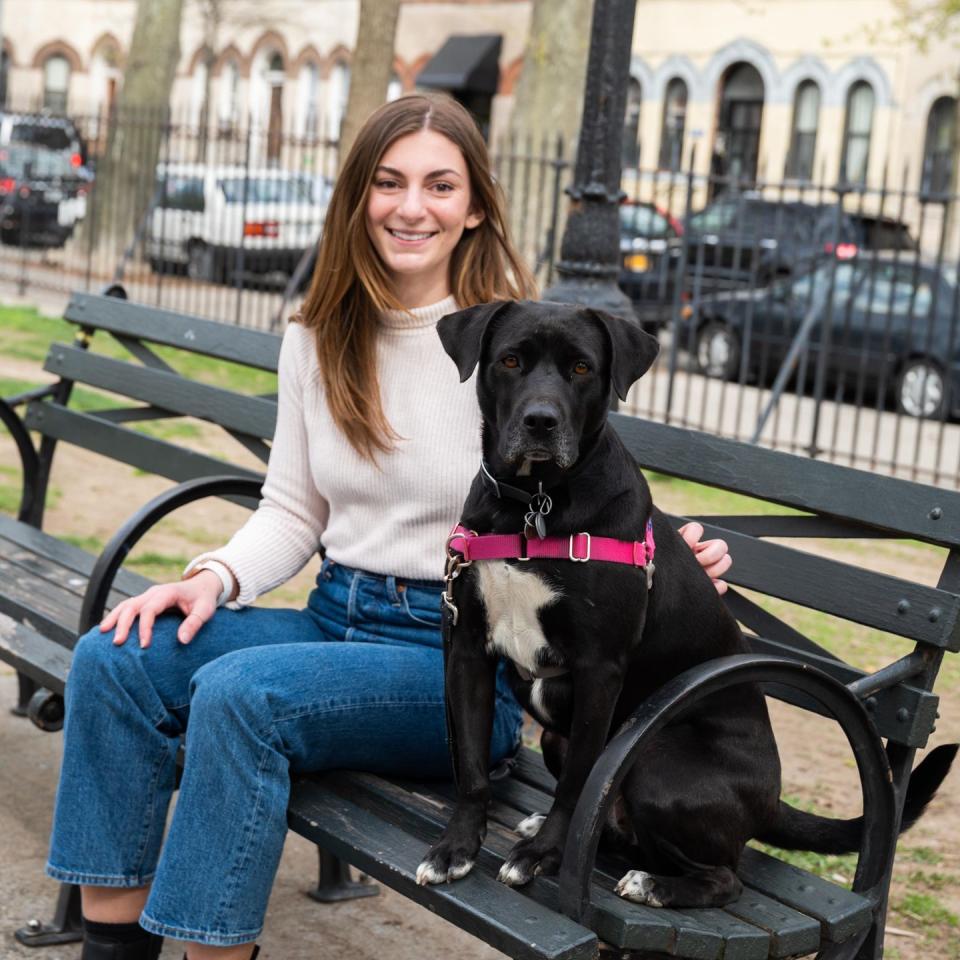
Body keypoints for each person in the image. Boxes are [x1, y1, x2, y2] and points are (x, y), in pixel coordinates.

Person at [46, 93, 732, 960]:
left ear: (475, 203)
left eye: (440, 185)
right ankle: (111, 947)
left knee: (241, 697)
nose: (412, 207)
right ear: (359, 198)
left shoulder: (511, 347)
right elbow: (294, 509)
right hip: (333, 618)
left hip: (449, 662)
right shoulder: (318, 336)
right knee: (114, 657)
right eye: (389, 183)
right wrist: (212, 577)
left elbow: (588, 488)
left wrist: (666, 551)